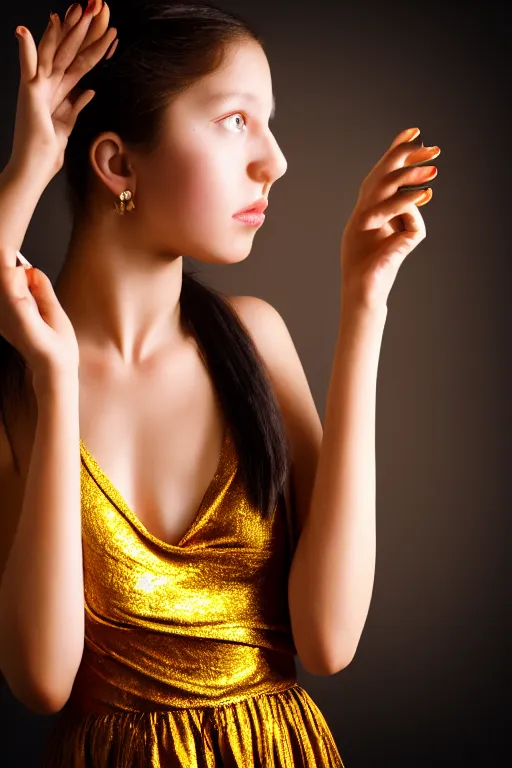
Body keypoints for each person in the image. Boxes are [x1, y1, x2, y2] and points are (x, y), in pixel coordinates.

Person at [0, 0, 440, 765]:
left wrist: (366, 303)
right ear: (117, 164)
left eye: (267, 123)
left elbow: (329, 639)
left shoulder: (254, 339)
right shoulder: (21, 386)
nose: (275, 159)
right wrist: (29, 166)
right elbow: (42, 680)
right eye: (236, 120)